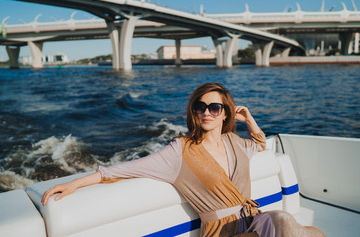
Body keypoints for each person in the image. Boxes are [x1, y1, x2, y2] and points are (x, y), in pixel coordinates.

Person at [42, 83, 325, 237]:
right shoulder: (180, 150)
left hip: (253, 220)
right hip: (221, 232)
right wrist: (76, 184)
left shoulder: (234, 142)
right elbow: (124, 170)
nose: (207, 113)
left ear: (225, 112)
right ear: (194, 111)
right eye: (200, 107)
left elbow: (261, 143)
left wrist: (249, 119)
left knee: (282, 219)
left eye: (215, 107)